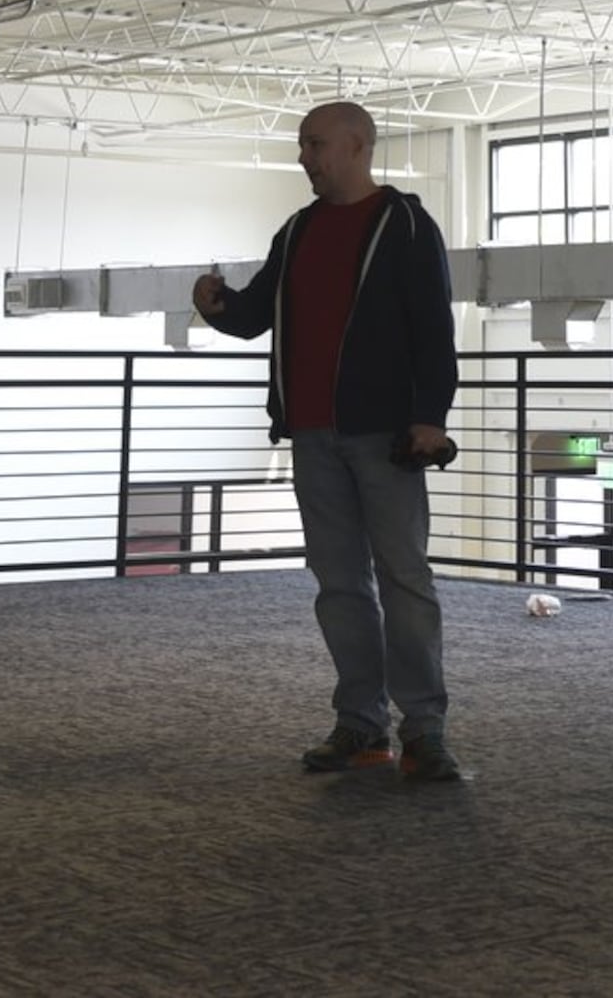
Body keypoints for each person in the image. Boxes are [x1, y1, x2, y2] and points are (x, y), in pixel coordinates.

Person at [193, 100, 463, 784]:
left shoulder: (402, 223)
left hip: (385, 434)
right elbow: (257, 317)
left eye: (315, 145)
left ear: (356, 146)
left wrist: (431, 415)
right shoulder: (299, 229)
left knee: (404, 580)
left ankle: (424, 730)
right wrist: (216, 306)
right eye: (303, 145)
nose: (304, 157)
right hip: (312, 433)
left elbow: (434, 325)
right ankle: (362, 726)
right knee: (340, 585)